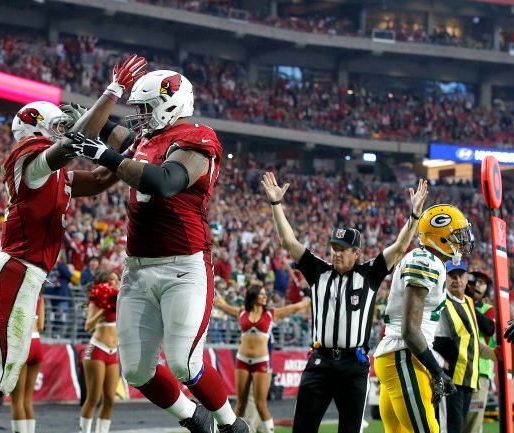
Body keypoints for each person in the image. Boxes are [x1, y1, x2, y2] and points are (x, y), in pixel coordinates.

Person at [0, 52, 148, 433]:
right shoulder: (28, 158)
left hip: (24, 273)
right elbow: (70, 143)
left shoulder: (56, 173)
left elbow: (103, 178)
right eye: (58, 123)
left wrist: (138, 149)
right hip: (16, 269)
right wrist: (113, 91)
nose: (64, 125)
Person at [64, 69, 251, 433]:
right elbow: (116, 135)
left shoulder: (198, 138)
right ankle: (194, 419)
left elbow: (167, 181)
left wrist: (106, 156)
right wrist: (89, 118)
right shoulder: (147, 139)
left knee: (184, 362)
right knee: (135, 370)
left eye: (148, 107)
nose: (141, 116)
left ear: (171, 104)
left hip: (183, 265)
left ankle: (231, 425)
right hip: (136, 269)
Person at [260, 172, 429, 433]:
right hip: (320, 362)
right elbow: (288, 241)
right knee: (302, 429)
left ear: (356, 253)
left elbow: (399, 247)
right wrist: (276, 205)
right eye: (333, 248)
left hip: (353, 365)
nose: (335, 254)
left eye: (342, 250)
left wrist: (415, 216)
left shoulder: (369, 274)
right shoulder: (318, 270)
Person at [374, 204, 475, 433]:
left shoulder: (428, 260)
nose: (461, 241)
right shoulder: (425, 261)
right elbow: (410, 330)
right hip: (404, 356)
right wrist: (437, 371)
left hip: (397, 356)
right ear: (439, 236)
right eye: (456, 235)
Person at [214, 285, 310, 433]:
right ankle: (232, 431)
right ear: (253, 296)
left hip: (261, 362)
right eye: (262, 294)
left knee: (261, 404)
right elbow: (221, 305)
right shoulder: (242, 313)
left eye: (265, 294)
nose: (265, 297)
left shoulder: (271, 314)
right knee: (240, 404)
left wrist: (310, 298)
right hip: (242, 360)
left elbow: (296, 307)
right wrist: (214, 292)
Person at [433, 261, 496, 433]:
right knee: (448, 429)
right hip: (449, 378)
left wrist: (494, 355)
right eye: (452, 276)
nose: (457, 280)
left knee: (462, 428)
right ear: (445, 278)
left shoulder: (469, 302)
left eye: (461, 275)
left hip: (469, 376)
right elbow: (430, 340)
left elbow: (473, 340)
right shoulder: (439, 303)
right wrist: (439, 363)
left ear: (467, 278)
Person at [80, 271, 121, 433]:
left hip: (113, 352)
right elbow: (88, 326)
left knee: (110, 400)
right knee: (93, 398)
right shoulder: (98, 300)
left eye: (117, 280)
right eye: (112, 279)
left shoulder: (119, 299)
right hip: (97, 349)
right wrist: (103, 310)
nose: (115, 282)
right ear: (104, 283)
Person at [463, 270, 496, 433]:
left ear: (487, 290)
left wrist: (465, 304)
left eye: (482, 283)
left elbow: (489, 328)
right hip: (459, 368)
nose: (477, 285)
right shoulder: (458, 302)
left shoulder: (488, 309)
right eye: (475, 281)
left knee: (474, 420)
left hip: (480, 372)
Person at [9, 295, 45, 433]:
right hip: (36, 343)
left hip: (21, 343)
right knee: (27, 400)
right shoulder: (40, 297)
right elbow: (41, 325)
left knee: (17, 401)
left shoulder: (15, 290)